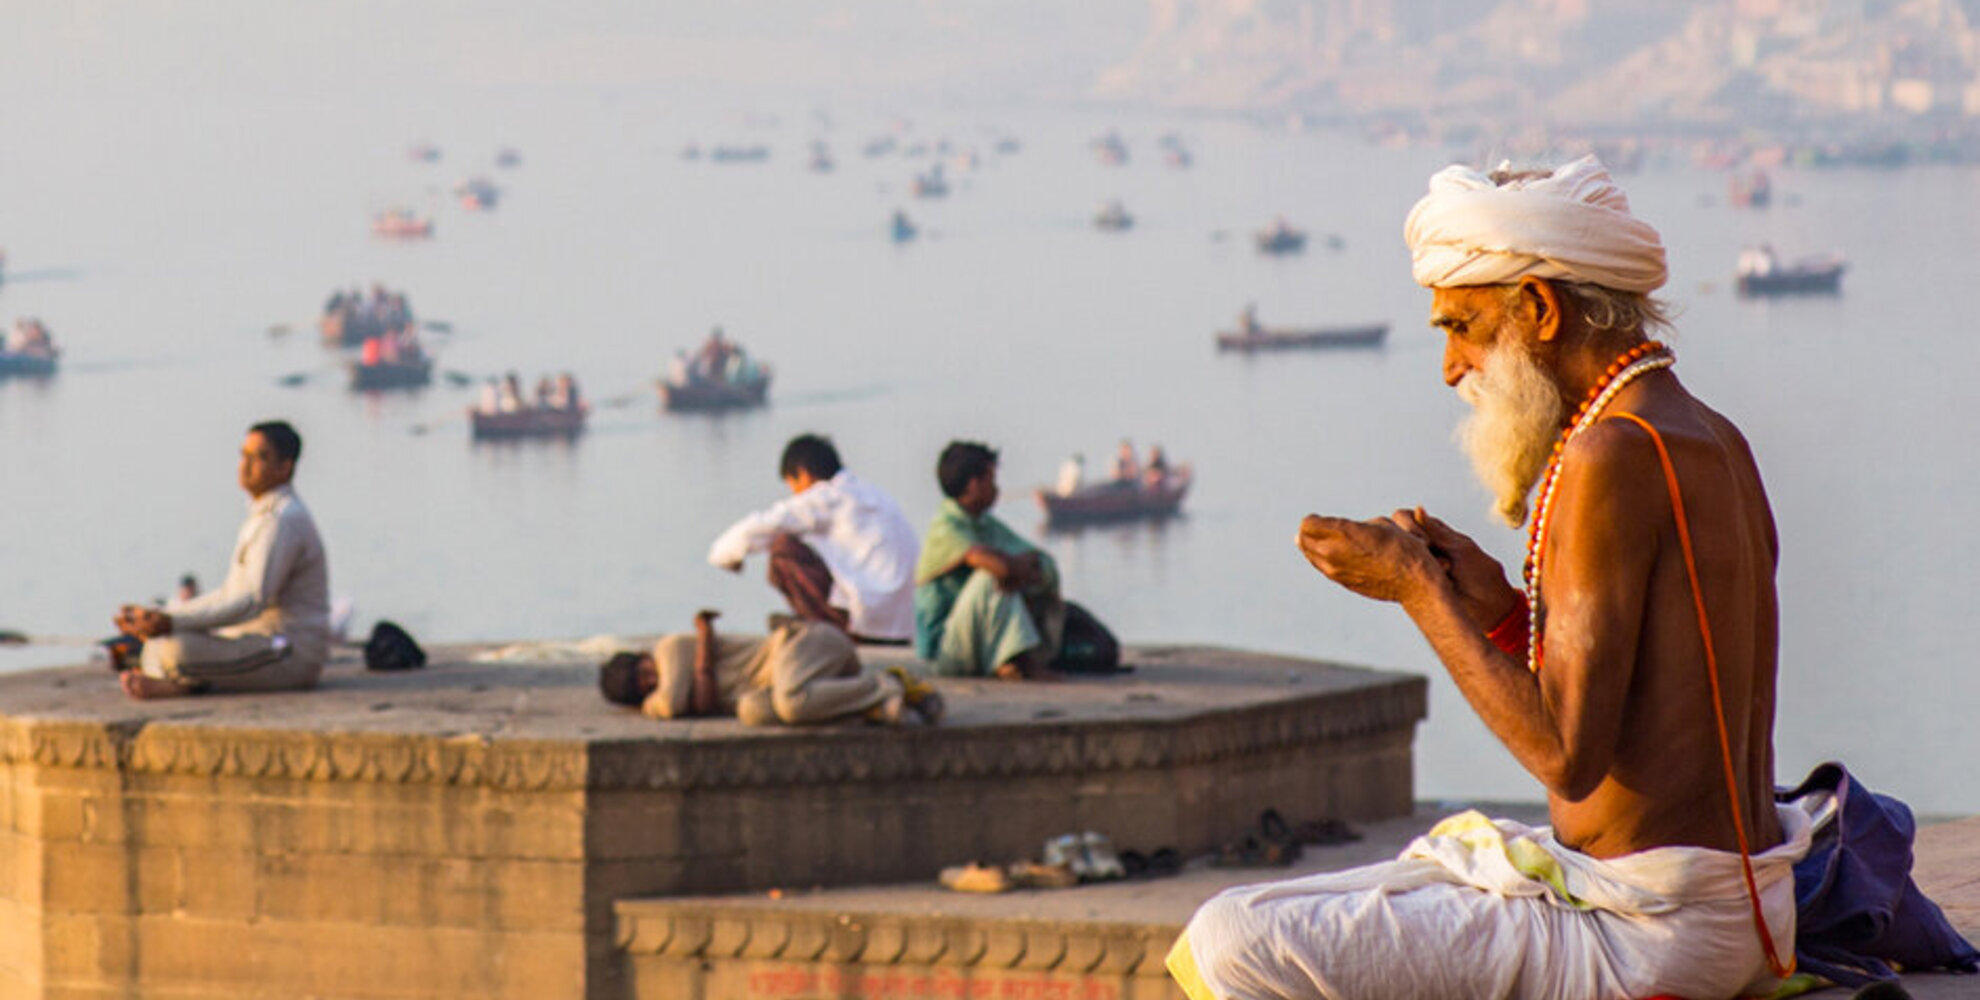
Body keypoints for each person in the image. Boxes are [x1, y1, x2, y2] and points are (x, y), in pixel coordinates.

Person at [1171, 156, 1812, 1000]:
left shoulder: (1607, 457)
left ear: (1541, 310)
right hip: (1734, 907)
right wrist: (1501, 611)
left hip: (1650, 931)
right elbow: (1642, 700)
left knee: (1232, 939)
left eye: (1460, 327)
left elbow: (1566, 758)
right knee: (1312, 902)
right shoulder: (1712, 435)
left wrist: (1418, 591)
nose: (1450, 367)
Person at [111, 421, 331, 700]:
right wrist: (168, 618)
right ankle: (184, 683)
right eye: (244, 455)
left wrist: (171, 622)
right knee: (155, 645)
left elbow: (251, 600)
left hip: (287, 651)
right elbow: (229, 594)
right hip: (253, 643)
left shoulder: (283, 520)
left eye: (258, 458)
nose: (245, 466)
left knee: (175, 651)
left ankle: (187, 684)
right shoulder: (261, 516)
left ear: (284, 467)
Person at [707, 434, 920, 644]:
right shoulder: (874, 494)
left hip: (868, 620)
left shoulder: (827, 497)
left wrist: (725, 556)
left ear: (803, 474)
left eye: (793, 485)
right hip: (904, 623)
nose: (795, 494)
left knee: (783, 549)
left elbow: (763, 525)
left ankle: (824, 635)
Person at [597, 610, 942, 727]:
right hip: (795, 683)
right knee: (751, 710)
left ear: (643, 655)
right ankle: (874, 708)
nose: (652, 679)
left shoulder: (670, 649)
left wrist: (703, 640)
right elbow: (692, 703)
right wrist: (706, 640)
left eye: (644, 671)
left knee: (790, 702)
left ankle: (885, 684)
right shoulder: (656, 697)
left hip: (803, 645)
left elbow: (681, 702)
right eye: (643, 686)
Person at [914, 441, 1064, 680]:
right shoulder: (946, 527)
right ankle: (1018, 659)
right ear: (974, 485)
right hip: (946, 653)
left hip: (976, 643)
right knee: (991, 577)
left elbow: (1042, 560)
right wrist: (1015, 567)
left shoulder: (984, 524)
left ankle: (1017, 656)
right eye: (991, 481)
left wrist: (1023, 568)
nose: (996, 489)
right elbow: (995, 566)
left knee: (1011, 575)